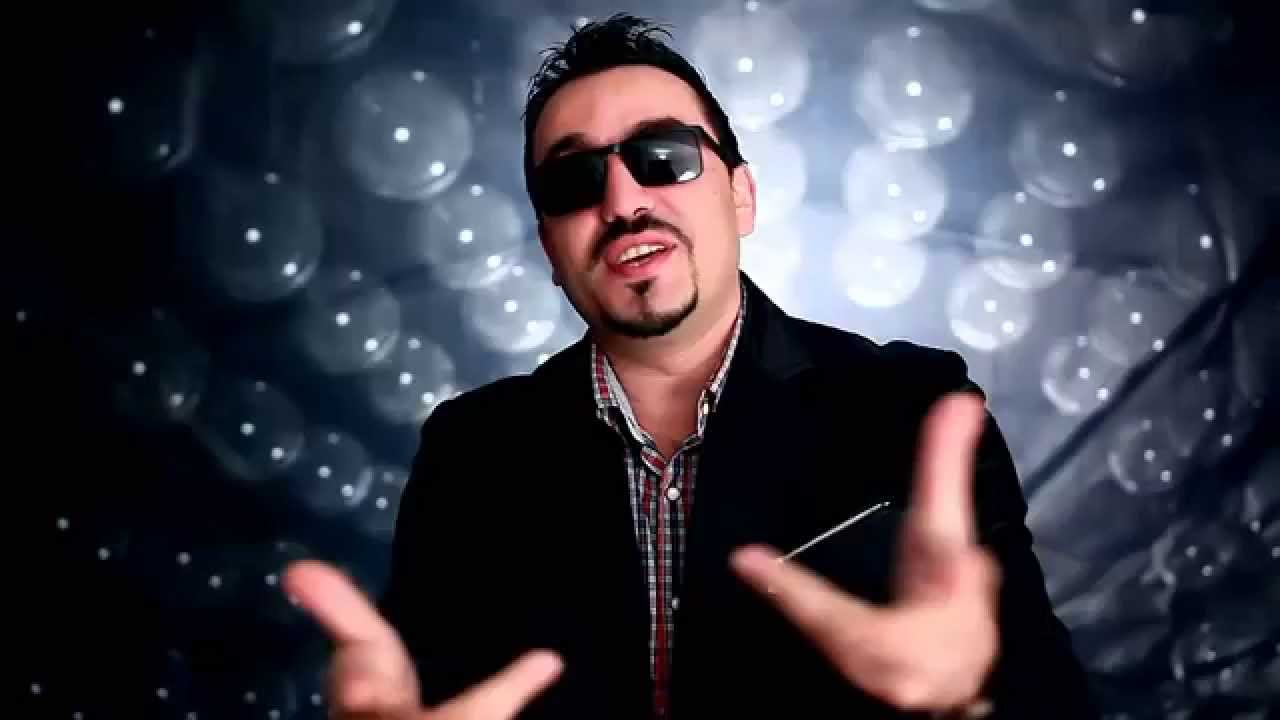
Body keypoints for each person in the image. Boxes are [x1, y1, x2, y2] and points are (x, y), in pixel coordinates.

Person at [283, 13, 1100, 720]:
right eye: (574, 179)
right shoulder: (471, 451)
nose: (622, 202)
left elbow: (1050, 698)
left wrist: (970, 699)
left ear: (742, 196)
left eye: (664, 156)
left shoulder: (910, 408)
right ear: (549, 251)